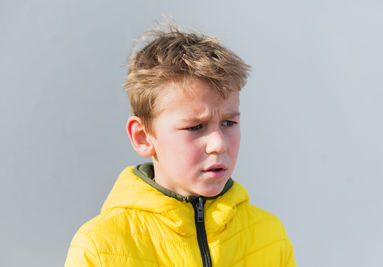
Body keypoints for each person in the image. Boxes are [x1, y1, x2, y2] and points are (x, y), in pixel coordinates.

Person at [65, 21, 297, 267]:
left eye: (229, 123)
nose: (218, 144)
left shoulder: (270, 235)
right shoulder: (99, 248)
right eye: (195, 127)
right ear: (143, 137)